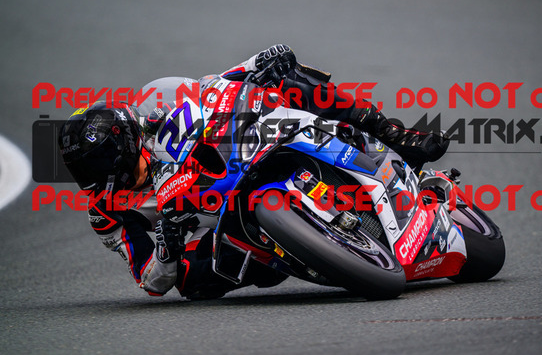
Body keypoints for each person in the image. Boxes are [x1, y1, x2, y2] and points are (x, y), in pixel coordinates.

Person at [58, 44, 449, 299]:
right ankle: (293, 248)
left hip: (231, 159)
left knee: (292, 80)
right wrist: (166, 247)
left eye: (96, 164)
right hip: (214, 224)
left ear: (124, 142)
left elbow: (210, 89)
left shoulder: (153, 111)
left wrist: (255, 65)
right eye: (81, 171)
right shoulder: (104, 213)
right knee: (190, 281)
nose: (91, 179)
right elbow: (151, 281)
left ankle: (395, 136)